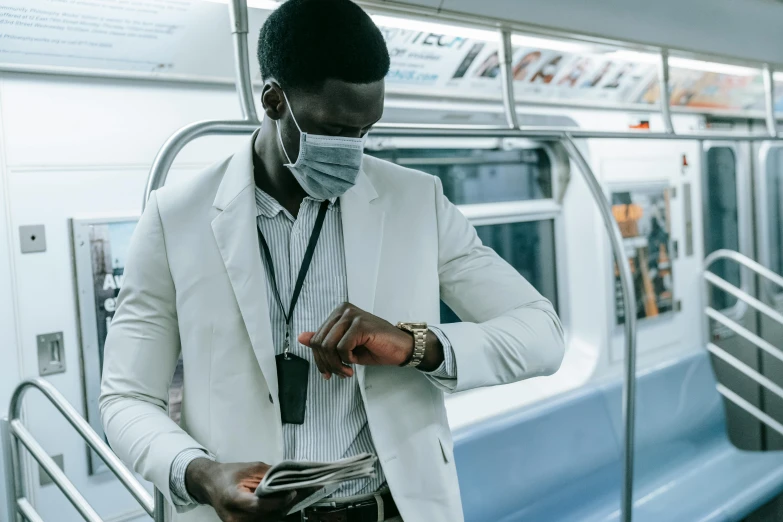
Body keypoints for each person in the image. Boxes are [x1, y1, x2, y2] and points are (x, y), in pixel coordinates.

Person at [99, 0, 565, 521]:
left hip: (391, 510)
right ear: (274, 101)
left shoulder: (416, 202)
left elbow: (542, 334)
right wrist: (200, 473)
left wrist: (415, 344)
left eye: (367, 130)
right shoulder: (175, 218)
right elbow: (125, 399)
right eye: (336, 130)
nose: (354, 150)